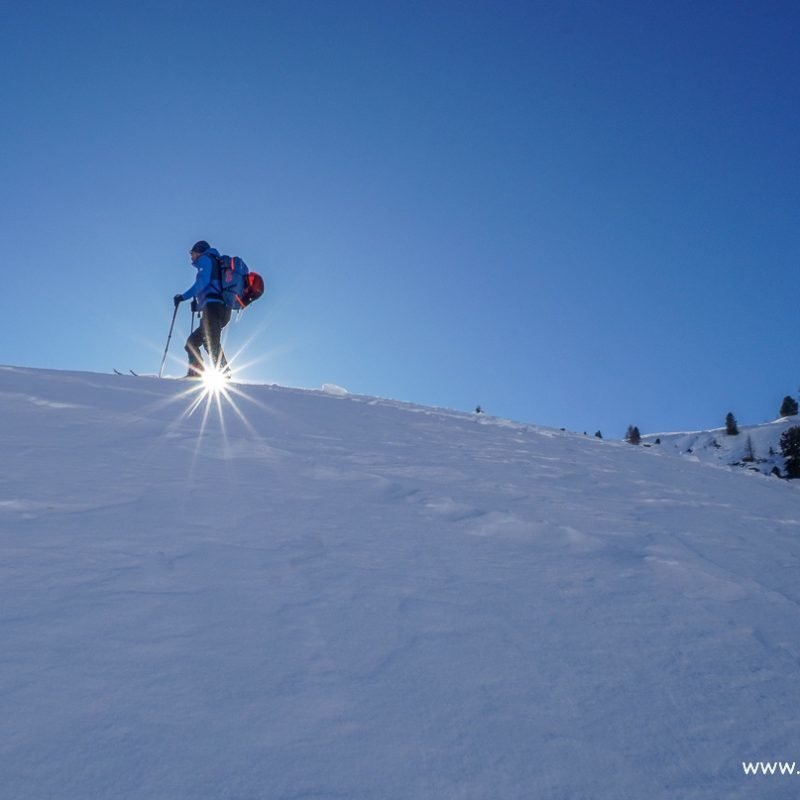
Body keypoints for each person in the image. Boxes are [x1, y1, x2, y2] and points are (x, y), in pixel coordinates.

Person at [173, 241, 231, 378]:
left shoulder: (206, 259)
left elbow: (202, 283)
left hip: (213, 309)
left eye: (192, 253)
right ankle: (196, 372)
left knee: (211, 344)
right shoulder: (214, 262)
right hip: (218, 309)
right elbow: (211, 288)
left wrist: (183, 297)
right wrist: (198, 306)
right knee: (192, 343)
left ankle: (224, 374)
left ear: (199, 251)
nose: (191, 256)